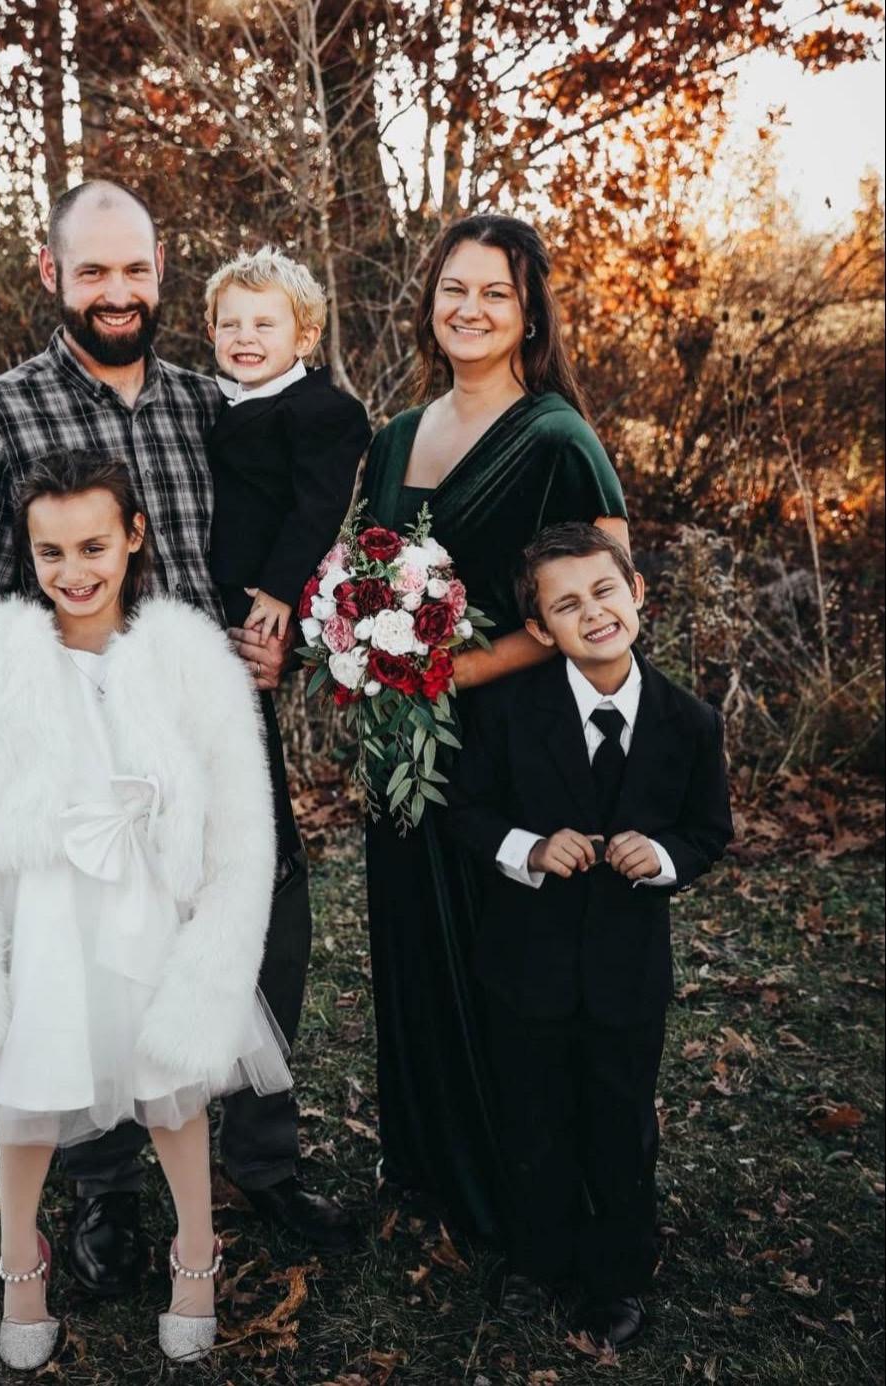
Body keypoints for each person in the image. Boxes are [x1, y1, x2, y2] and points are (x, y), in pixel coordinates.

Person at [0, 180, 353, 1297]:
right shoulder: (1, 415)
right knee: (92, 961)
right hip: (81, 745)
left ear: (161, 272)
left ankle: (262, 1162)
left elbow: (283, 537)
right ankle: (108, 1187)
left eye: (134, 269)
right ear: (52, 275)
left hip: (215, 725)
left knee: (264, 927)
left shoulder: (217, 404)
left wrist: (284, 638)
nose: (117, 292)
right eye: (93, 271)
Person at [0, 456, 291, 1368]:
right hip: (46, 913)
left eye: (94, 547)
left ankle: (195, 1251)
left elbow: (237, 812)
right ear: (29, 553)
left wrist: (215, 936)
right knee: (32, 1083)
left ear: (134, 536)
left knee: (169, 1081)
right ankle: (20, 1263)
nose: (74, 571)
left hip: (151, 903)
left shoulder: (188, 661)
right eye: (52, 552)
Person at [361, 214, 630, 1245]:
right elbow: (363, 575)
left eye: (495, 293)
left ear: (529, 315)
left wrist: (460, 668)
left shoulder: (556, 439)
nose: (469, 309)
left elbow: (607, 601)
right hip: (406, 747)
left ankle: (537, 1200)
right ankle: (432, 1172)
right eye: (454, 289)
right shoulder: (395, 437)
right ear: (429, 301)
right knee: (415, 951)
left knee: (512, 969)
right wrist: (362, 646)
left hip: (515, 746)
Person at [446, 523, 733, 1349]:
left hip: (625, 971)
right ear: (540, 630)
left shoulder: (690, 721)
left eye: (605, 591)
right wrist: (530, 849)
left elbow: (708, 831)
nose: (594, 613)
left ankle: (617, 1276)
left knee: (620, 1121)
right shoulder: (507, 711)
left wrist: (664, 857)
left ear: (636, 593)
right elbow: (465, 811)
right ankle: (537, 1257)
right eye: (566, 605)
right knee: (532, 1115)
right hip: (524, 963)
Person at [205, 244, 371, 856]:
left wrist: (279, 589)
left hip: (260, 598)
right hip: (208, 595)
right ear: (211, 332)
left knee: (247, 742)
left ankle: (271, 864)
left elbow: (317, 509)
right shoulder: (216, 404)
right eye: (230, 324)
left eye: (263, 324)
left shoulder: (322, 412)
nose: (244, 337)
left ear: (304, 337)